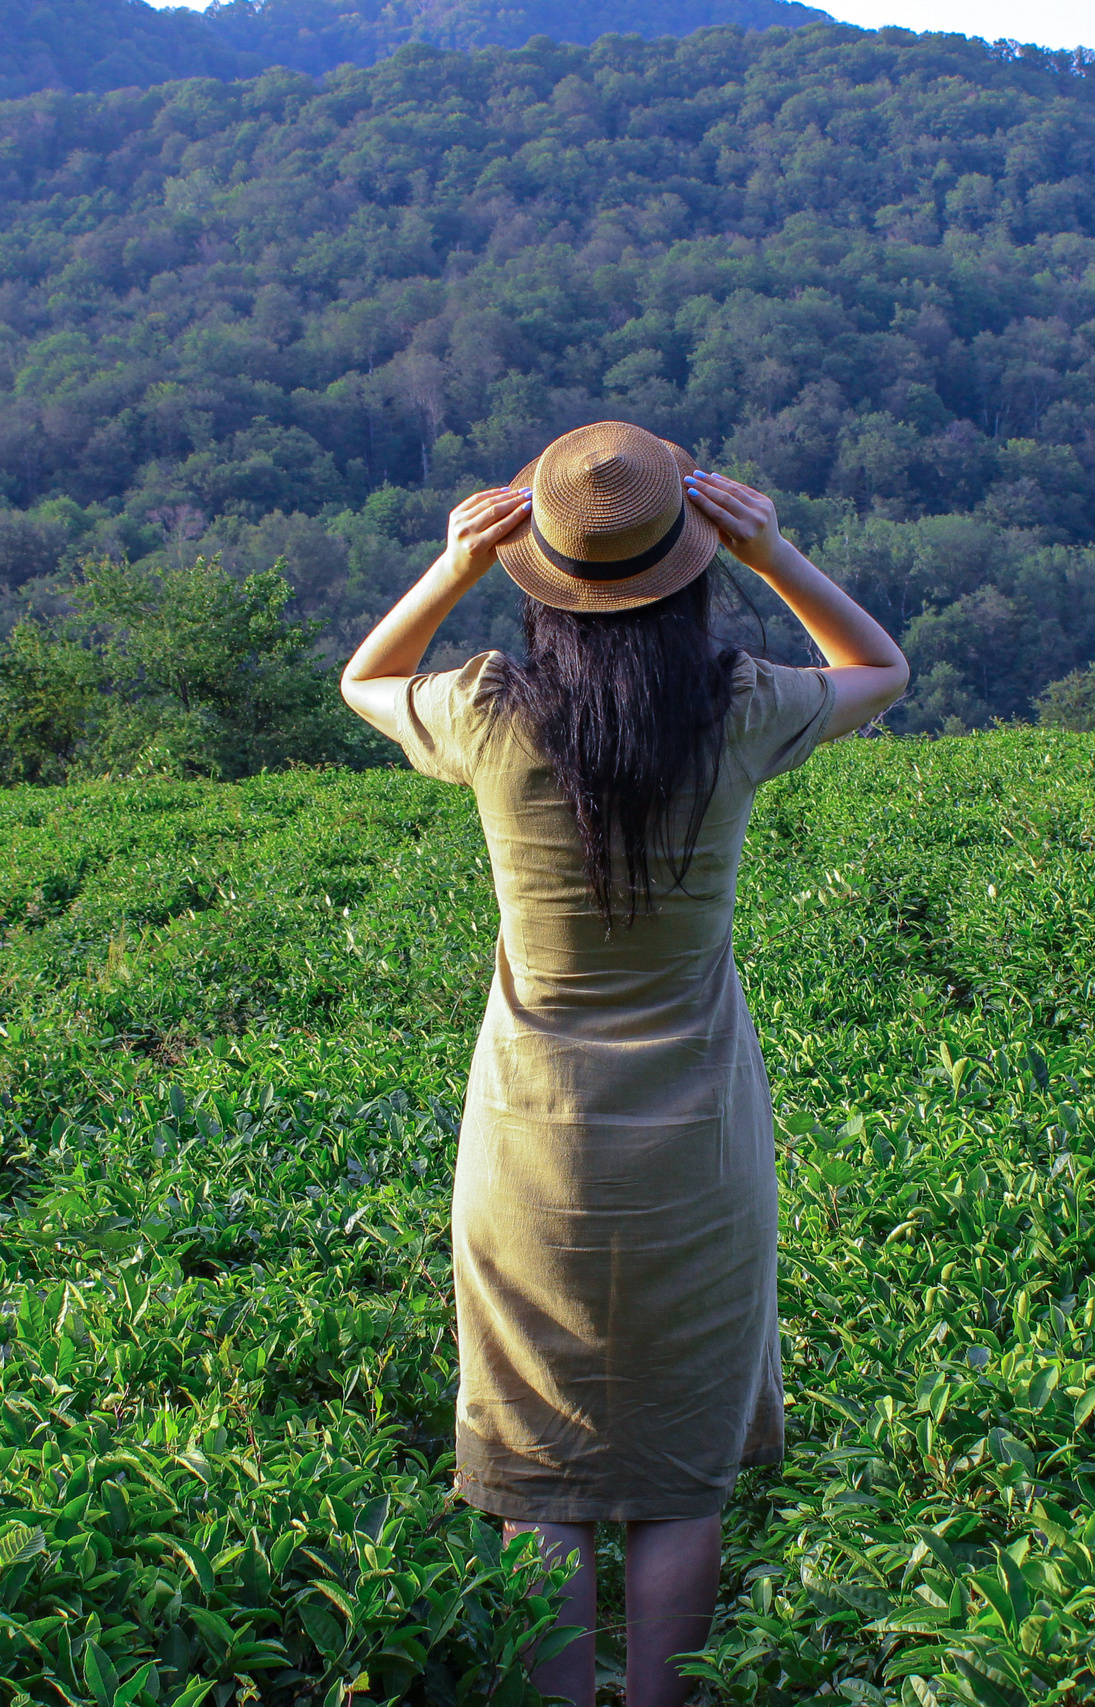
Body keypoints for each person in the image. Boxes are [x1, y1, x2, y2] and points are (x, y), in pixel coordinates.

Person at [339, 421, 908, 1707]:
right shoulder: (743, 710)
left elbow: (362, 682)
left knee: (540, 1474)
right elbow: (880, 666)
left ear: (538, 571)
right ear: (690, 566)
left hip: (530, 1146)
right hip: (698, 1150)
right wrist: (775, 555)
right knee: (674, 1477)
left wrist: (447, 570)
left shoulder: (487, 712)